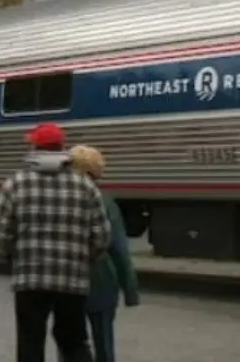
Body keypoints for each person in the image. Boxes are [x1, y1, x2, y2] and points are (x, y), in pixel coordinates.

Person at [0, 123, 112, 362]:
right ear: (62, 148)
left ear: (35, 147)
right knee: (74, 341)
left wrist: (8, 258)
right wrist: (83, 259)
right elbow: (102, 236)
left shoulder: (15, 183)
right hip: (72, 280)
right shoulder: (86, 186)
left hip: (29, 280)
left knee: (30, 343)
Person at [69, 145, 140, 362]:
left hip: (67, 284)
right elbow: (119, 249)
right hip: (100, 283)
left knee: (70, 344)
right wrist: (130, 290)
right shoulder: (105, 200)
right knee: (104, 344)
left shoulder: (61, 197)